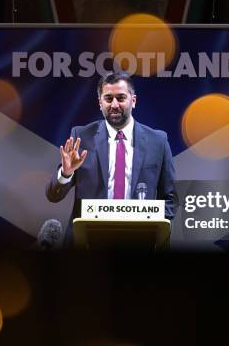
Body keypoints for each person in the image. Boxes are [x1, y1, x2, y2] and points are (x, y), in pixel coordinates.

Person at [46, 72, 177, 242]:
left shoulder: (158, 141)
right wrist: (66, 173)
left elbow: (171, 199)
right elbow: (53, 195)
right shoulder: (81, 136)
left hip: (139, 241)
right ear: (100, 103)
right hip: (87, 241)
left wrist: (148, 224)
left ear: (134, 101)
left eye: (121, 98)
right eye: (108, 99)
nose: (114, 104)